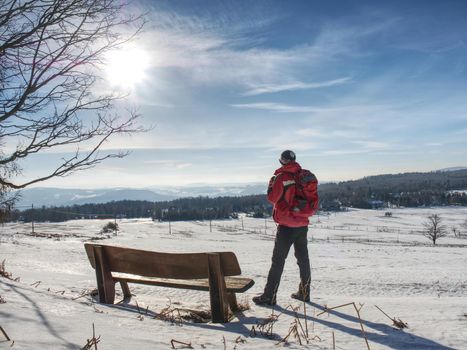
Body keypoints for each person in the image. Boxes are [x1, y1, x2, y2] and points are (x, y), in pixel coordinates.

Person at [253, 150, 318, 306]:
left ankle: (269, 296)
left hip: (287, 225)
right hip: (302, 224)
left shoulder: (282, 177)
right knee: (303, 260)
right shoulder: (303, 176)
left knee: (278, 262)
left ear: (282, 161)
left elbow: (272, 198)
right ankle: (304, 293)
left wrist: (271, 184)